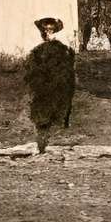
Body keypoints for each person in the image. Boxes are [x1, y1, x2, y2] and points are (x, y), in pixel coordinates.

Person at [24, 15, 78, 155]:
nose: (47, 33)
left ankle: (49, 143)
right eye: (45, 30)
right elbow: (30, 73)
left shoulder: (62, 50)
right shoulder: (37, 52)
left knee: (54, 116)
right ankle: (42, 144)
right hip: (41, 91)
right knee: (41, 118)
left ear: (55, 31)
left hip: (56, 90)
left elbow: (67, 74)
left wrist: (58, 86)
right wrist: (37, 84)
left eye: (50, 30)